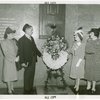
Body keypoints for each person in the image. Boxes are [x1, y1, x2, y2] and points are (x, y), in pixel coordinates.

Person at [18, 24, 42, 94]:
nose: (32, 31)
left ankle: (30, 88)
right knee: (27, 75)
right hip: (26, 61)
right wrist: (22, 62)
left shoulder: (31, 38)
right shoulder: (21, 40)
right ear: (26, 30)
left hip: (33, 59)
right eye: (31, 30)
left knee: (32, 74)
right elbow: (20, 52)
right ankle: (26, 89)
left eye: (32, 30)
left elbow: (35, 48)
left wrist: (40, 55)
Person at [0, 27, 18, 94]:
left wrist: (17, 56)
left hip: (14, 60)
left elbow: (16, 50)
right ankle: (9, 89)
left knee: (12, 75)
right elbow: (5, 53)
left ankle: (12, 87)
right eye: (12, 33)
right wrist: (14, 59)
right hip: (8, 61)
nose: (13, 35)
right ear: (7, 34)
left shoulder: (13, 41)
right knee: (8, 75)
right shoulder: (3, 42)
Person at [69, 28, 85, 94]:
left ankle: (77, 86)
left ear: (80, 37)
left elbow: (82, 55)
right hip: (74, 60)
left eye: (76, 36)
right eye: (74, 36)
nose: (74, 37)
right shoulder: (74, 43)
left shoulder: (83, 45)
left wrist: (78, 63)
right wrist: (73, 49)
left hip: (80, 61)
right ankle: (75, 85)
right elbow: (71, 51)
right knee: (75, 73)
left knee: (78, 74)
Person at [85, 28, 100, 94]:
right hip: (88, 59)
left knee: (94, 74)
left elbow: (93, 50)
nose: (90, 34)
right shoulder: (88, 40)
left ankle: (93, 87)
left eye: (91, 33)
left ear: (94, 34)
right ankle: (88, 86)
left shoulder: (98, 42)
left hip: (95, 60)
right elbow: (86, 49)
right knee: (88, 72)